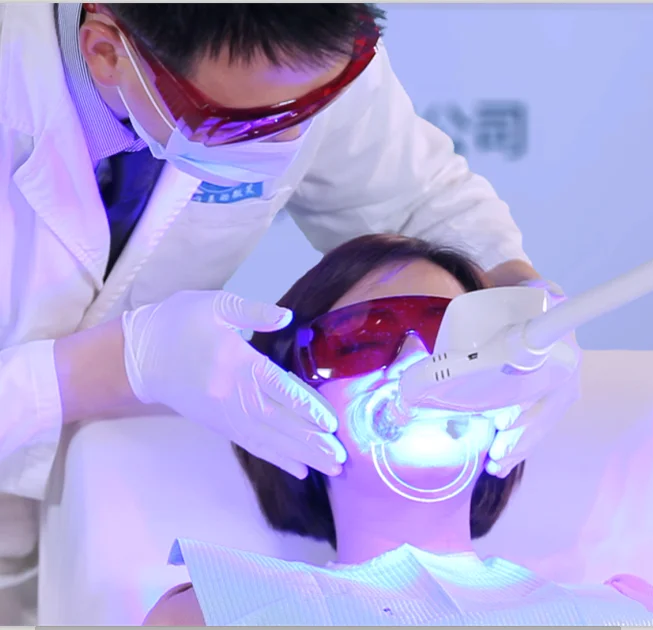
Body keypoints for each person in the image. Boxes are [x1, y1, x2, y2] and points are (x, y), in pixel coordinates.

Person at [0, 3, 579, 598]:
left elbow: (420, 209)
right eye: (241, 125)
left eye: (312, 106)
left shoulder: (305, 54)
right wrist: (115, 365)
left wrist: (523, 300)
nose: (290, 141)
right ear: (105, 52)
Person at [143, 234, 653, 627]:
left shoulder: (626, 612)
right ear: (284, 399)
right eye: (362, 342)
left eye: (454, 340)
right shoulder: (220, 610)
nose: (415, 360)